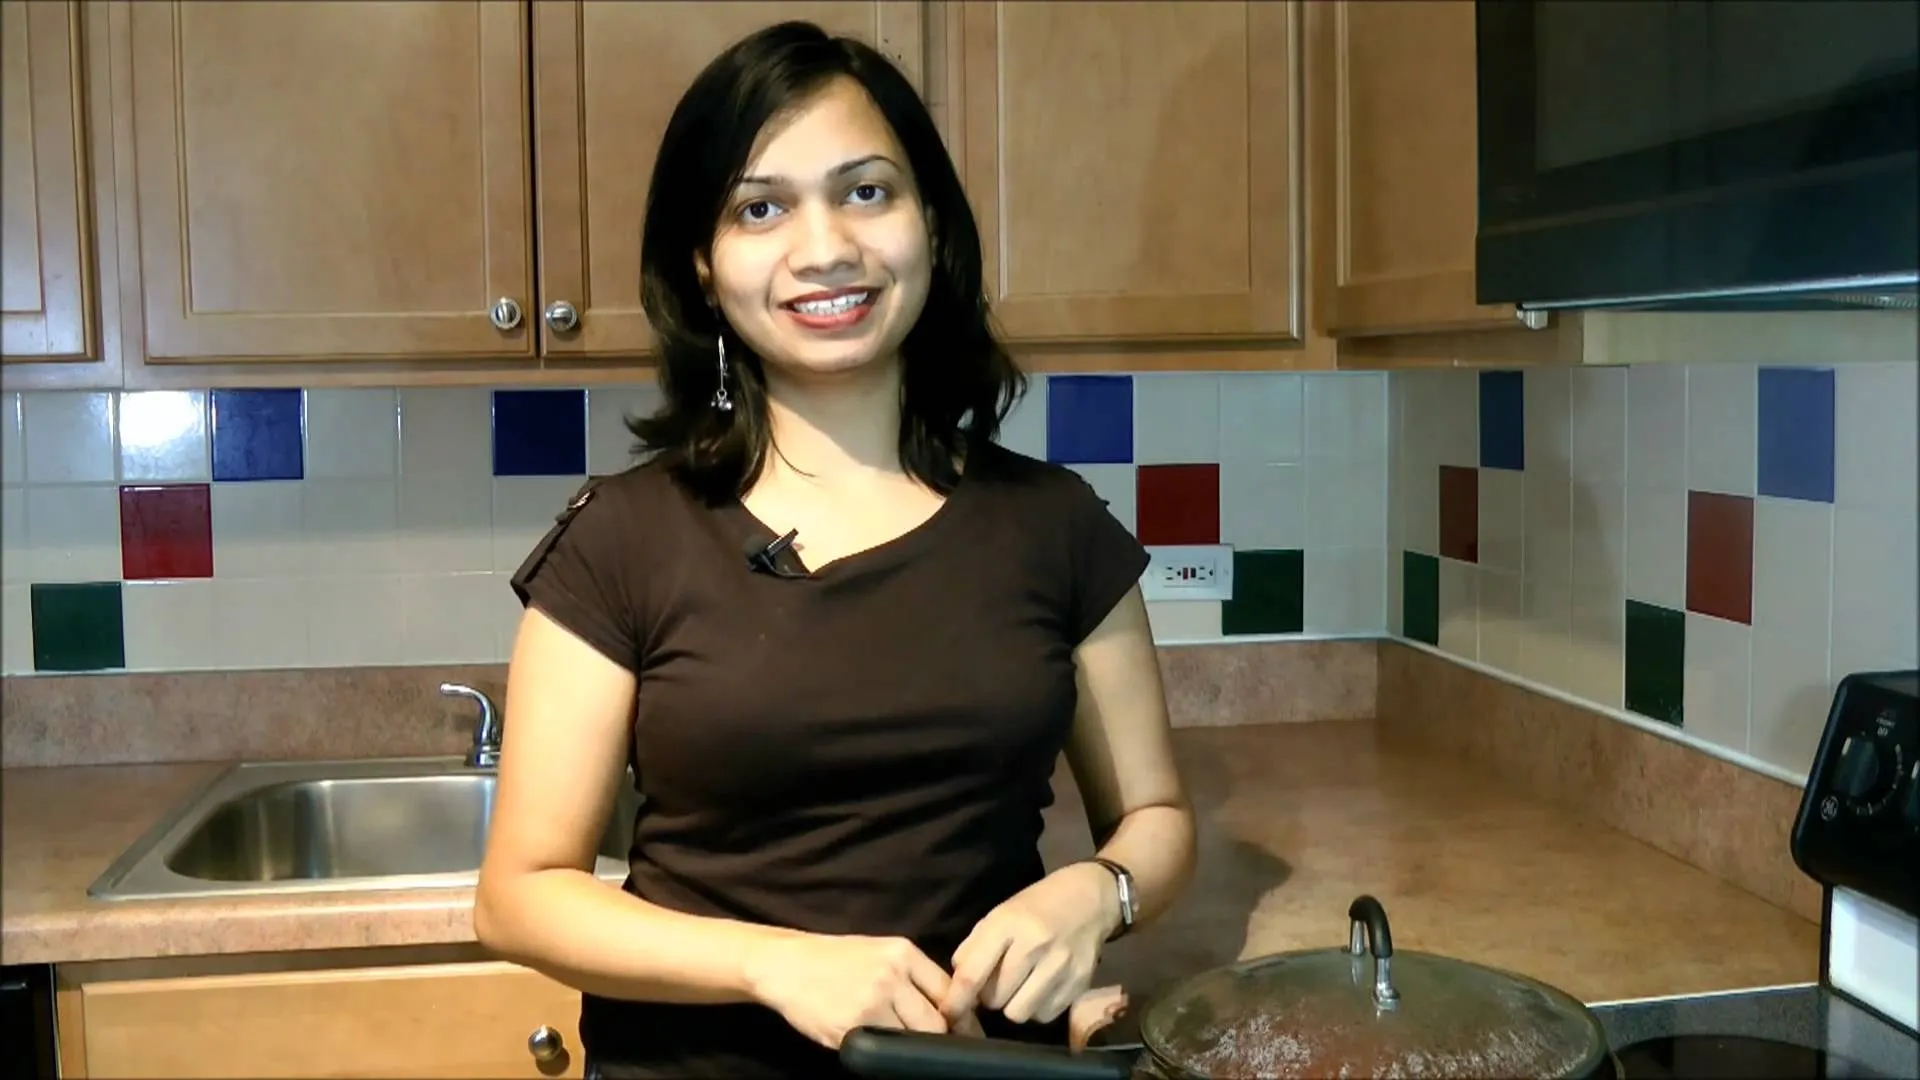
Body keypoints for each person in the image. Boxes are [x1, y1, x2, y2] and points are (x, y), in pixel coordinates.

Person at [472, 20, 1195, 1080]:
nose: (826, 249)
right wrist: (784, 967)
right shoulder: (622, 542)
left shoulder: (1057, 528)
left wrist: (1101, 890)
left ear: (933, 228)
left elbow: (1158, 817)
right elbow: (520, 896)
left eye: (867, 191)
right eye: (760, 208)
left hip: (980, 1068)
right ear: (704, 267)